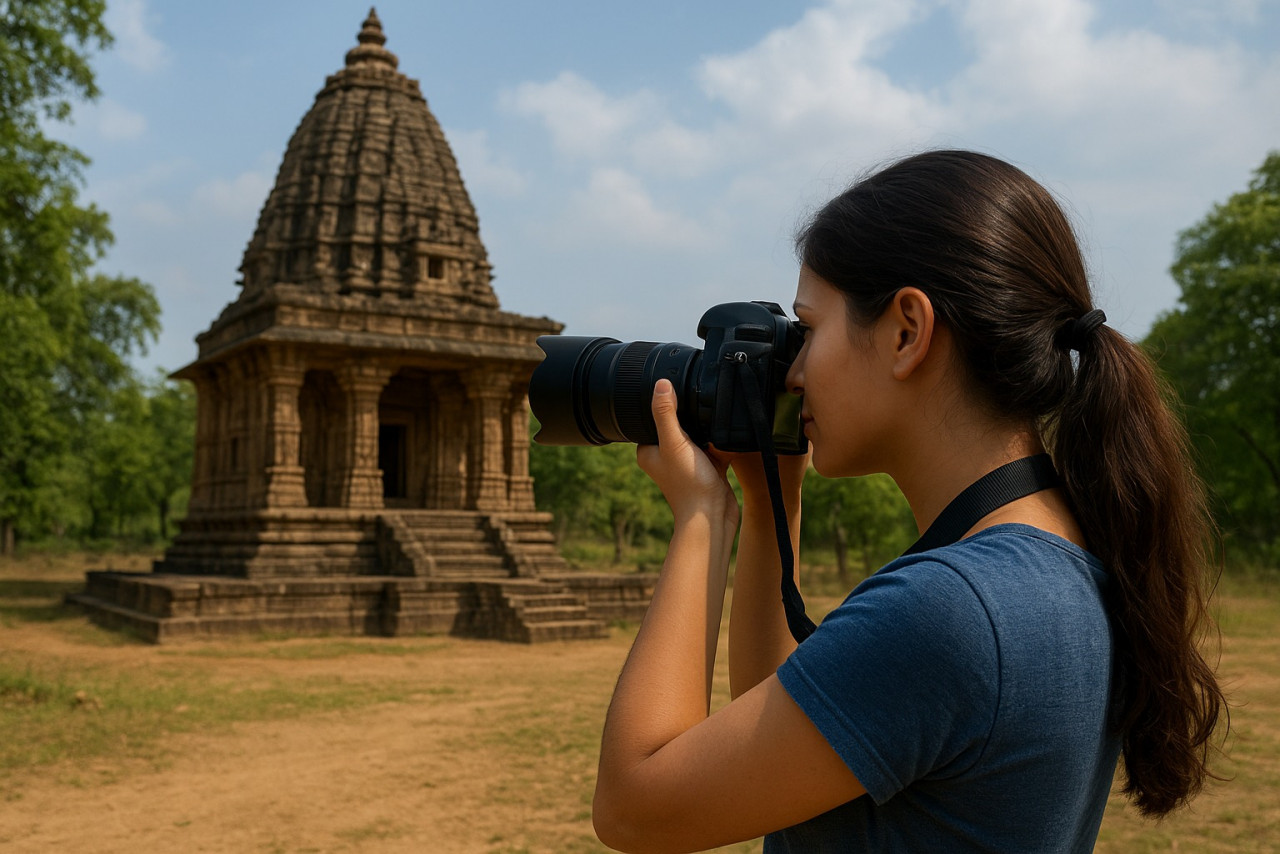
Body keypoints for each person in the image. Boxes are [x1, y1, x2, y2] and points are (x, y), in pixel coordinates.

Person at [591, 150, 1227, 853]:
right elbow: (778, 739)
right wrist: (774, 504)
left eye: (811, 328)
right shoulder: (1058, 563)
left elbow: (636, 806)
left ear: (906, 331)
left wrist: (701, 519)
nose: (795, 371)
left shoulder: (950, 610)